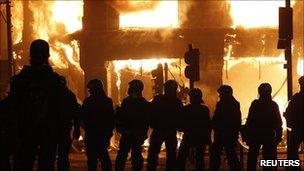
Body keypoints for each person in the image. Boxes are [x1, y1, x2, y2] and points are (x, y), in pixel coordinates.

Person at [10, 39, 65, 171]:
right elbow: (61, 109)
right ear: (47, 56)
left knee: (23, 164)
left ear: (30, 56)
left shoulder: (20, 80)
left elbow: (13, 107)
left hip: (26, 132)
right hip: (47, 132)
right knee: (46, 164)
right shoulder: (54, 81)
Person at [244, 83, 282, 171]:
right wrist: (278, 137)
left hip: (255, 134)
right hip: (268, 135)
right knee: (268, 158)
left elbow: (249, 120)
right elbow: (278, 122)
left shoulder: (255, 104)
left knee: (252, 157)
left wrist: (247, 135)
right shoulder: (273, 105)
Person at [147, 80, 184, 171]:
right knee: (171, 155)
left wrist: (152, 123)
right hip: (170, 131)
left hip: (158, 130)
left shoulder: (158, 99)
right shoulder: (177, 102)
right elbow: (181, 117)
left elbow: (150, 113)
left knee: (153, 154)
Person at [115, 79, 150, 171]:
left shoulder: (127, 102)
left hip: (130, 133)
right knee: (135, 156)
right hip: (134, 133)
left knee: (124, 156)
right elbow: (146, 121)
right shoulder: (143, 102)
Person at [82, 79, 114, 171]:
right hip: (101, 135)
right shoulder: (107, 101)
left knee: (93, 161)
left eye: (91, 89)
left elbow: (82, 117)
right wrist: (109, 134)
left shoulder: (88, 102)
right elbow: (111, 120)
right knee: (104, 160)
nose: (89, 91)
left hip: (93, 135)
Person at [177, 88, 211, 171]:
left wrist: (182, 129)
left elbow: (181, 123)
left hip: (189, 136)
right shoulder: (204, 109)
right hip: (201, 137)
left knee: (182, 155)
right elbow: (208, 124)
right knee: (199, 158)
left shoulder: (186, 109)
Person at [210, 85, 241, 171]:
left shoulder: (221, 104)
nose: (219, 96)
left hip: (221, 134)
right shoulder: (235, 104)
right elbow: (237, 120)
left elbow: (216, 118)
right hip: (231, 134)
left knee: (215, 155)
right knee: (231, 154)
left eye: (221, 94)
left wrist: (213, 125)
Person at [56, 76, 81, 171]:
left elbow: (75, 114)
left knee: (52, 154)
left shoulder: (52, 95)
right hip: (64, 127)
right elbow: (76, 114)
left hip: (57, 128)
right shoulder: (69, 95)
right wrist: (77, 129)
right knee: (63, 154)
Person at [284, 76, 304, 171]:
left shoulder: (296, 97)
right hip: (298, 128)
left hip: (298, 129)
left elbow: (289, 112)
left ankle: (295, 168)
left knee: (292, 150)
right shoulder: (296, 98)